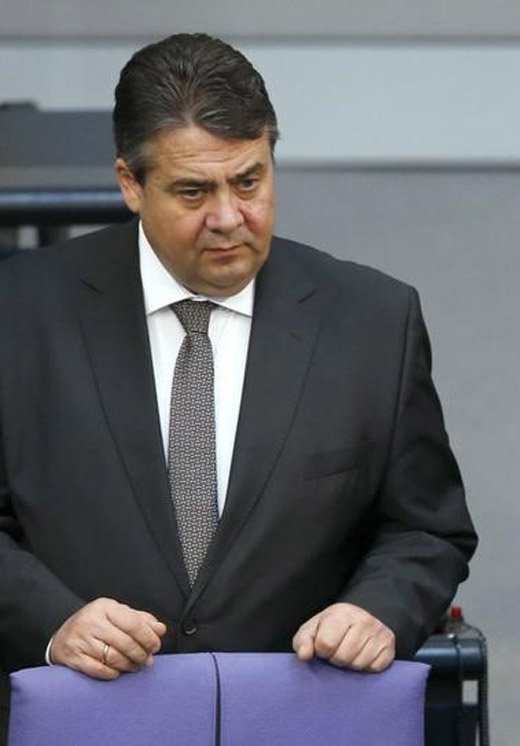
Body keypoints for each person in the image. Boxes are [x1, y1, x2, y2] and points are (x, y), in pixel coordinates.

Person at [0, 31, 476, 722]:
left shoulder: (373, 320)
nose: (229, 219)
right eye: (194, 191)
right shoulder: (20, 311)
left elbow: (426, 529)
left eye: (248, 181)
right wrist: (54, 620)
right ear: (130, 184)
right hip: (81, 714)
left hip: (295, 715)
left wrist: (376, 608)